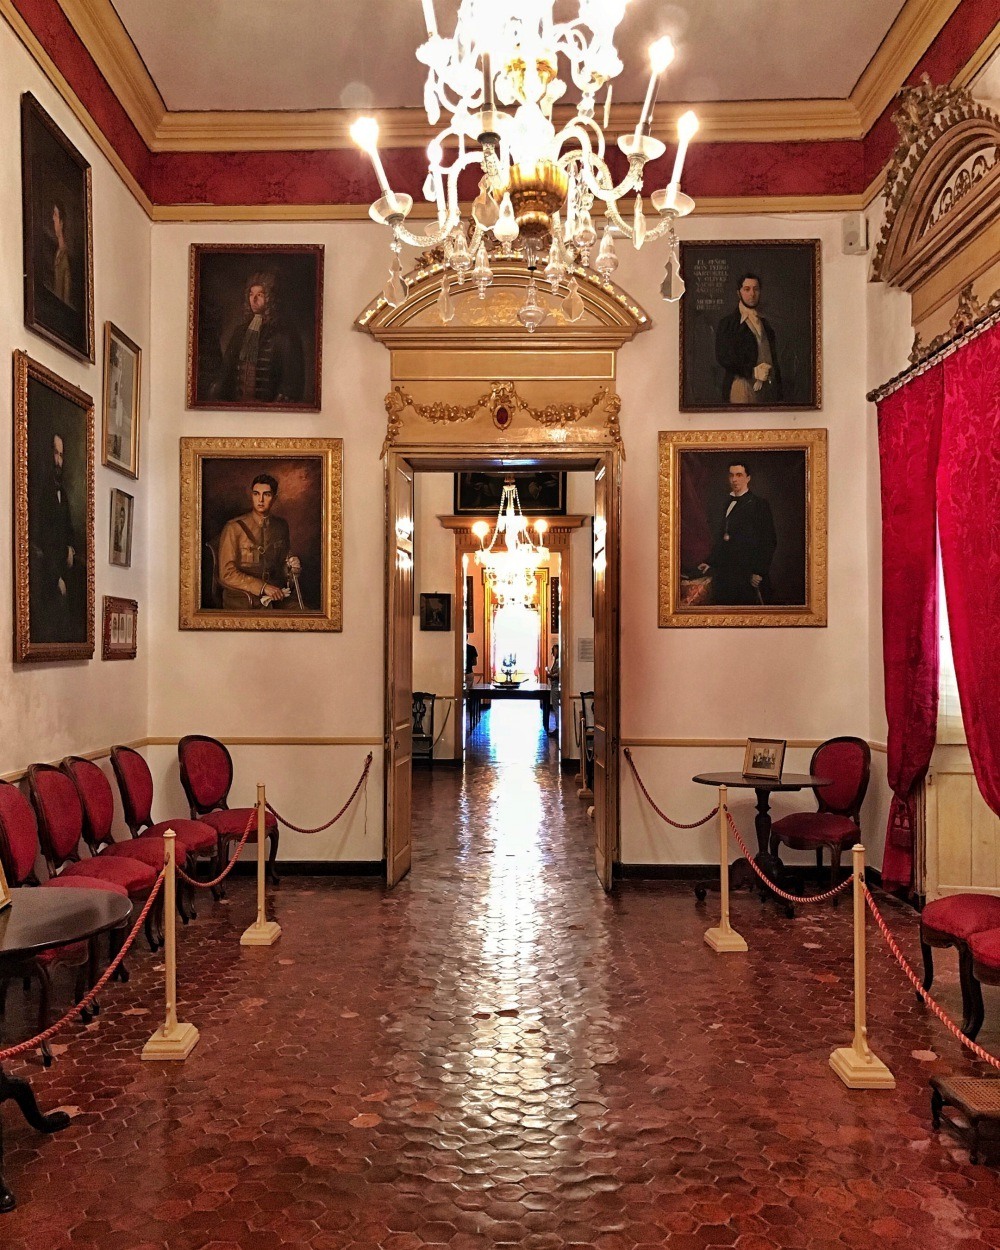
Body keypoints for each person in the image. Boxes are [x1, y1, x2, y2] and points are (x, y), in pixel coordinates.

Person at [211, 272, 304, 404]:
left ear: (270, 298)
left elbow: (291, 380)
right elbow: (226, 370)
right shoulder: (240, 332)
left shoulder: (284, 334)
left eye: (259, 295)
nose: (254, 300)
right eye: (251, 294)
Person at [217, 473, 302, 610]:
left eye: (266, 495)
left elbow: (282, 568)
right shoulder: (233, 528)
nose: (260, 500)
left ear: (274, 498)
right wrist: (262, 587)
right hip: (244, 598)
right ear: (251, 495)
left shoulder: (281, 526)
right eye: (256, 494)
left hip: (276, 596)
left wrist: (293, 569)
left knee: (303, 613)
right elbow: (227, 573)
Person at [697, 461, 776, 606]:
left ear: (748, 478)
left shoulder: (759, 504)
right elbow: (723, 538)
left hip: (748, 575)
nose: (734, 479)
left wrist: (758, 572)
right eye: (731, 475)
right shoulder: (727, 503)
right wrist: (710, 561)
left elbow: (769, 541)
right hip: (726, 574)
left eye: (739, 475)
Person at [30, 433, 78, 641]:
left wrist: (70, 548)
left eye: (61, 455)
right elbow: (41, 540)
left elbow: (68, 530)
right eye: (55, 453)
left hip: (62, 564)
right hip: (47, 570)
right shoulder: (40, 492)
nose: (58, 460)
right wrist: (55, 577)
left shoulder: (62, 493)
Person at [714, 273, 782, 405]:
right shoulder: (728, 323)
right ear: (738, 293)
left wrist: (779, 392)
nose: (752, 294)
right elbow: (723, 357)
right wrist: (752, 371)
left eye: (756, 289)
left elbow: (773, 359)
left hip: (768, 390)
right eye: (747, 289)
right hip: (742, 387)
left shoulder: (765, 324)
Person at [50, 201, 72, 306]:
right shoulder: (57, 252)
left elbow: (66, 297)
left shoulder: (65, 257)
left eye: (55, 215)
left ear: (61, 223)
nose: (53, 218)